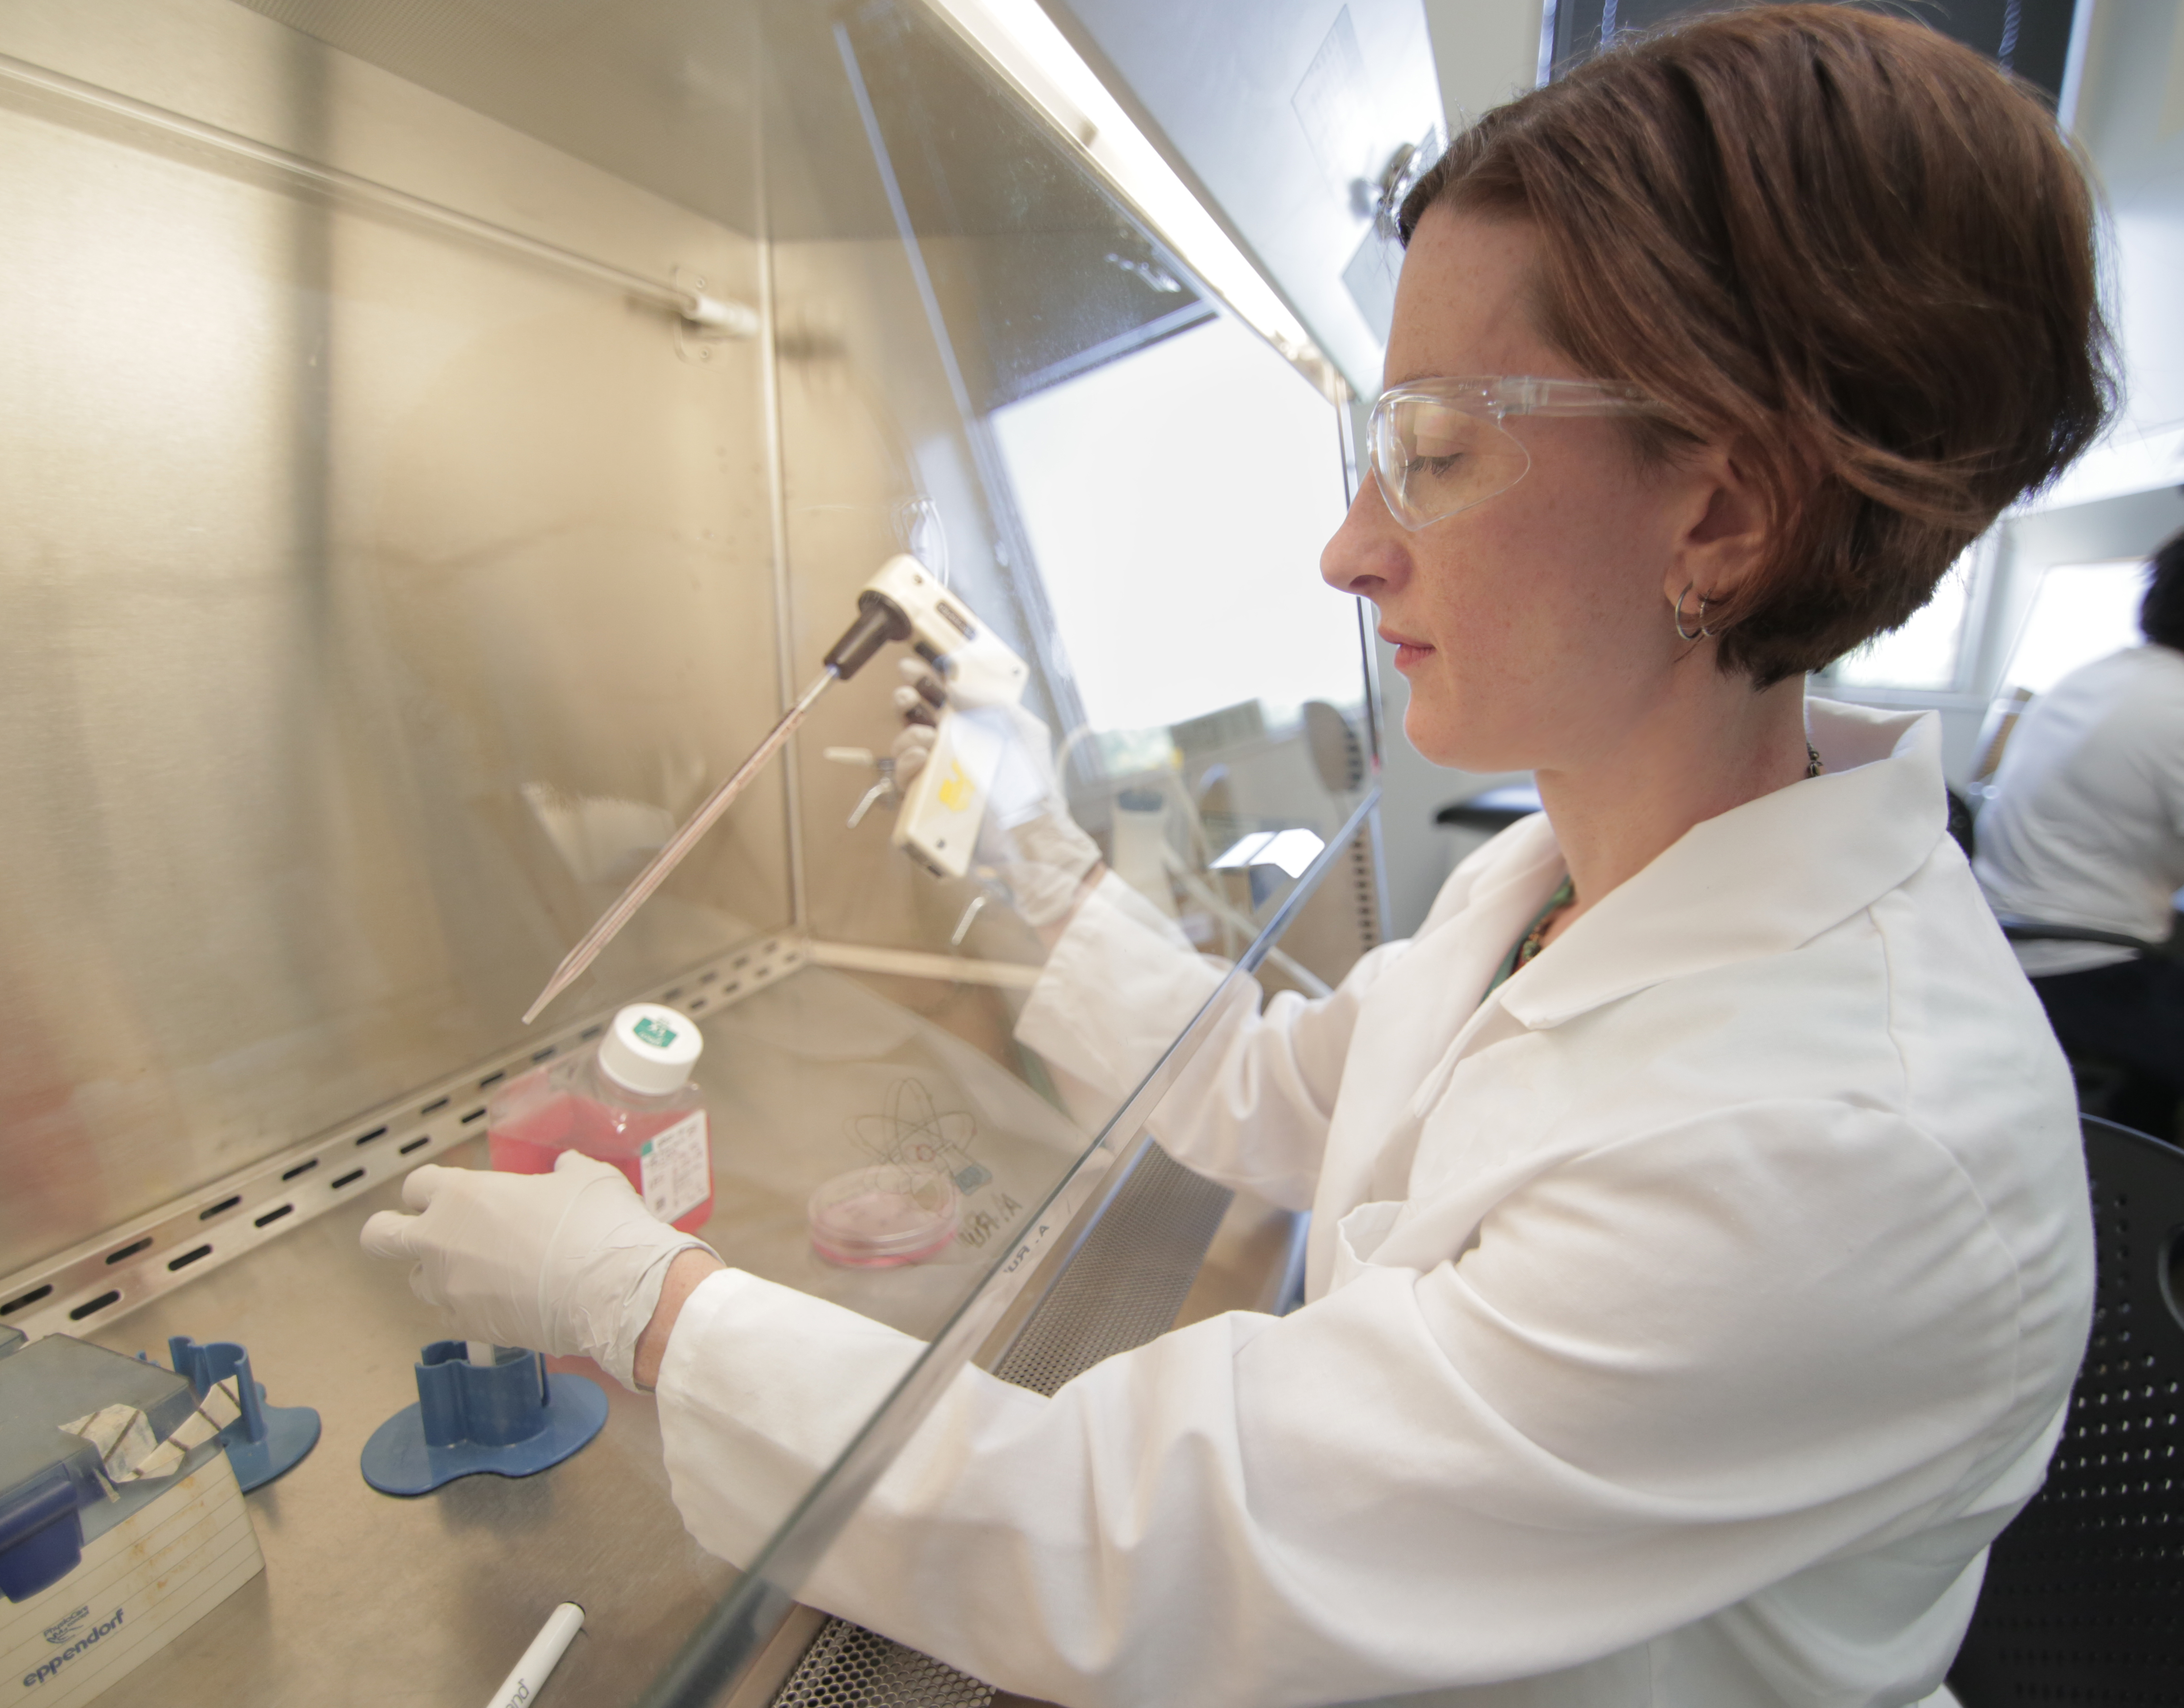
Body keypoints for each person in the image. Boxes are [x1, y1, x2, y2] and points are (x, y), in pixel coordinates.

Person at [361, 10, 2112, 1705]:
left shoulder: (1831, 1149)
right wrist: (1030, 857)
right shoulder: (1567, 884)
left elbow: (1137, 1553)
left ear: (1717, 518)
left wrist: (638, 1299)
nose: (1348, 546)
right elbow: (1285, 1095)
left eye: (1431, 453)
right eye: (1375, 446)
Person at [1974, 532, 2184, 1139]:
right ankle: (2141, 1182)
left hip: (2010, 937)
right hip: (2077, 967)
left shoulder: (2099, 674)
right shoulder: (2174, 704)